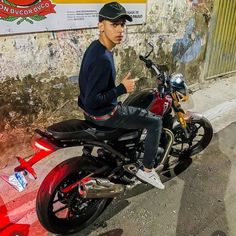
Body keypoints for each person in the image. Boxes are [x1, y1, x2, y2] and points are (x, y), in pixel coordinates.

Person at [78, 2, 164, 189]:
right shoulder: (103, 59)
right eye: (114, 24)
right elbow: (94, 99)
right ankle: (148, 170)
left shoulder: (96, 47)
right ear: (101, 25)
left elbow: (87, 86)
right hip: (105, 115)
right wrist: (121, 89)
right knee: (155, 122)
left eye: (122, 25)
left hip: (88, 113)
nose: (120, 30)